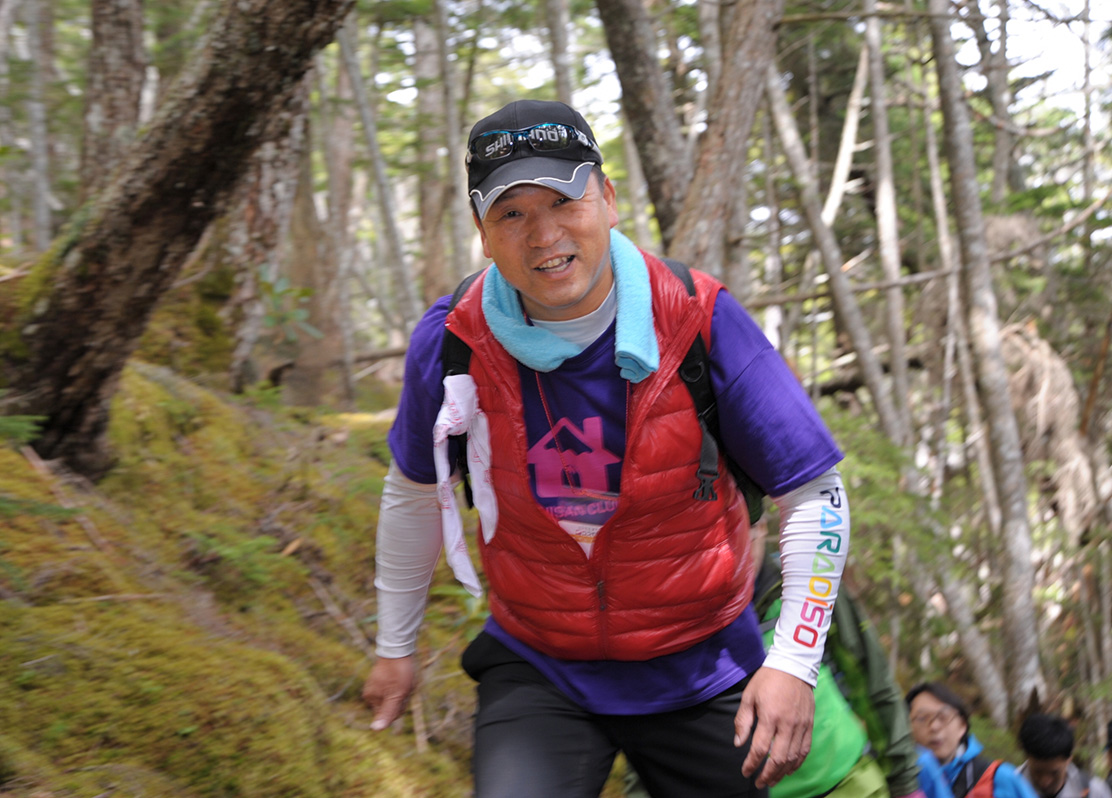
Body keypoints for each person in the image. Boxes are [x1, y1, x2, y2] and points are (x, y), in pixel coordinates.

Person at [361, 98, 851, 797]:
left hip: (702, 660)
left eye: (564, 201)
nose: (544, 234)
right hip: (540, 661)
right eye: (511, 213)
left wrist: (794, 662)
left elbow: (813, 492)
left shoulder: (700, 319)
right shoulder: (452, 343)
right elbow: (411, 492)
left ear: (608, 199)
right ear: (482, 232)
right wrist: (395, 646)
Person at [625, 527, 922, 798]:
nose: (728, 555)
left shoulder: (806, 583)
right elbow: (652, 735)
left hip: (849, 784)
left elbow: (872, 679)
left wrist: (905, 782)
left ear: (761, 528)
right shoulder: (670, 618)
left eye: (739, 534)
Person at [906, 681, 1036, 798]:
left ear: (962, 725)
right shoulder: (900, 782)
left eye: (943, 717)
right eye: (922, 718)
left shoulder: (998, 778)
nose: (934, 727)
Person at [1017, 712, 1112, 798]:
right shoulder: (1011, 788)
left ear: (1069, 759)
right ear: (1027, 756)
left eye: (1054, 773)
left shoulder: (1094, 792)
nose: (1045, 782)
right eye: (1038, 772)